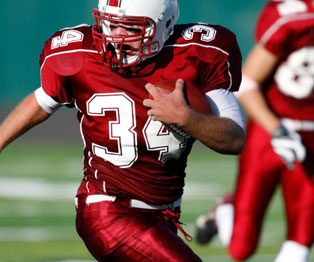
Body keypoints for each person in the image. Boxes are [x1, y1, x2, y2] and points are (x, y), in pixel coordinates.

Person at [0, 0, 246, 261]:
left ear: (165, 26)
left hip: (163, 215)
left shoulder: (197, 52)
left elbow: (234, 139)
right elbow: (43, 101)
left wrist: (188, 118)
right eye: (110, 24)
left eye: (129, 28)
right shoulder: (79, 54)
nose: (115, 36)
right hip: (106, 210)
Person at [195, 0, 314, 261]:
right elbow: (247, 82)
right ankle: (226, 208)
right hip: (270, 129)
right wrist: (278, 131)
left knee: (300, 243)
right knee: (241, 248)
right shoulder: (294, 19)